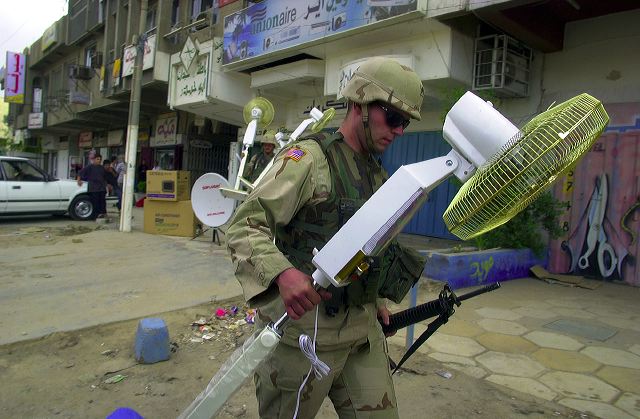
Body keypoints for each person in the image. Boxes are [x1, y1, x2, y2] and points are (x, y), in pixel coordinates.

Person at [226, 57, 427, 418]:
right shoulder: (308, 160)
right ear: (360, 104)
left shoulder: (378, 176)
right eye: (393, 117)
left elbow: (371, 244)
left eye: (405, 122)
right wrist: (283, 275)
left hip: (361, 336)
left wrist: (378, 299)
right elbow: (243, 225)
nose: (399, 130)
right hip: (303, 337)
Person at [77, 154, 108, 218]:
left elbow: (105, 177)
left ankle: (104, 213)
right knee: (95, 202)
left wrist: (107, 185)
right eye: (97, 159)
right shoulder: (89, 167)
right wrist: (79, 180)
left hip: (101, 187)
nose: (99, 161)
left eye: (100, 159)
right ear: (94, 160)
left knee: (102, 201)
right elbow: (80, 172)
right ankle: (96, 215)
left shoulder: (102, 168)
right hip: (93, 188)